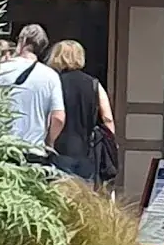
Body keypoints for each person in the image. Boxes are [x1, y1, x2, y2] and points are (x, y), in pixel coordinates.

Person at [46, 39, 116, 184]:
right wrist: (111, 143)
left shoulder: (54, 82)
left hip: (59, 148)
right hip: (86, 150)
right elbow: (107, 118)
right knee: (83, 197)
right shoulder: (94, 84)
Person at [0, 23, 65, 156]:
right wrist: (49, 142)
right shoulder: (51, 76)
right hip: (34, 150)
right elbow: (58, 118)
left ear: (23, 41)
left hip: (2, 149)